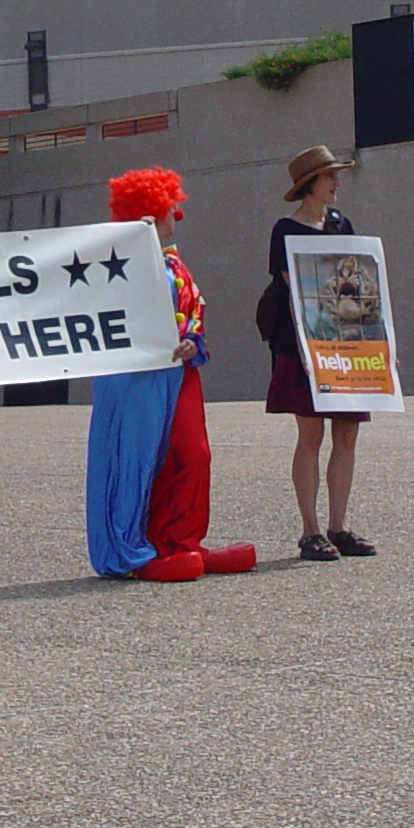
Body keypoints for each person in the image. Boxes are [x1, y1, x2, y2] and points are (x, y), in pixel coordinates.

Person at [84, 167, 257, 580]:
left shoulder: (174, 263)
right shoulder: (119, 263)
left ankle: (183, 541)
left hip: (182, 373)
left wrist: (192, 342)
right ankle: (146, 546)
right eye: (168, 209)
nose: (175, 216)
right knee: (142, 456)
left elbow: (194, 311)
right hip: (138, 378)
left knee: (193, 454)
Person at [267, 144, 375, 562]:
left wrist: (379, 345)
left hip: (347, 343)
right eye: (330, 177)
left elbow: (362, 281)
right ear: (310, 185)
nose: (337, 184)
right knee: (310, 434)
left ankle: (339, 526)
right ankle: (310, 531)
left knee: (347, 434)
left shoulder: (340, 223)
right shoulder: (285, 230)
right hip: (302, 344)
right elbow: (297, 288)